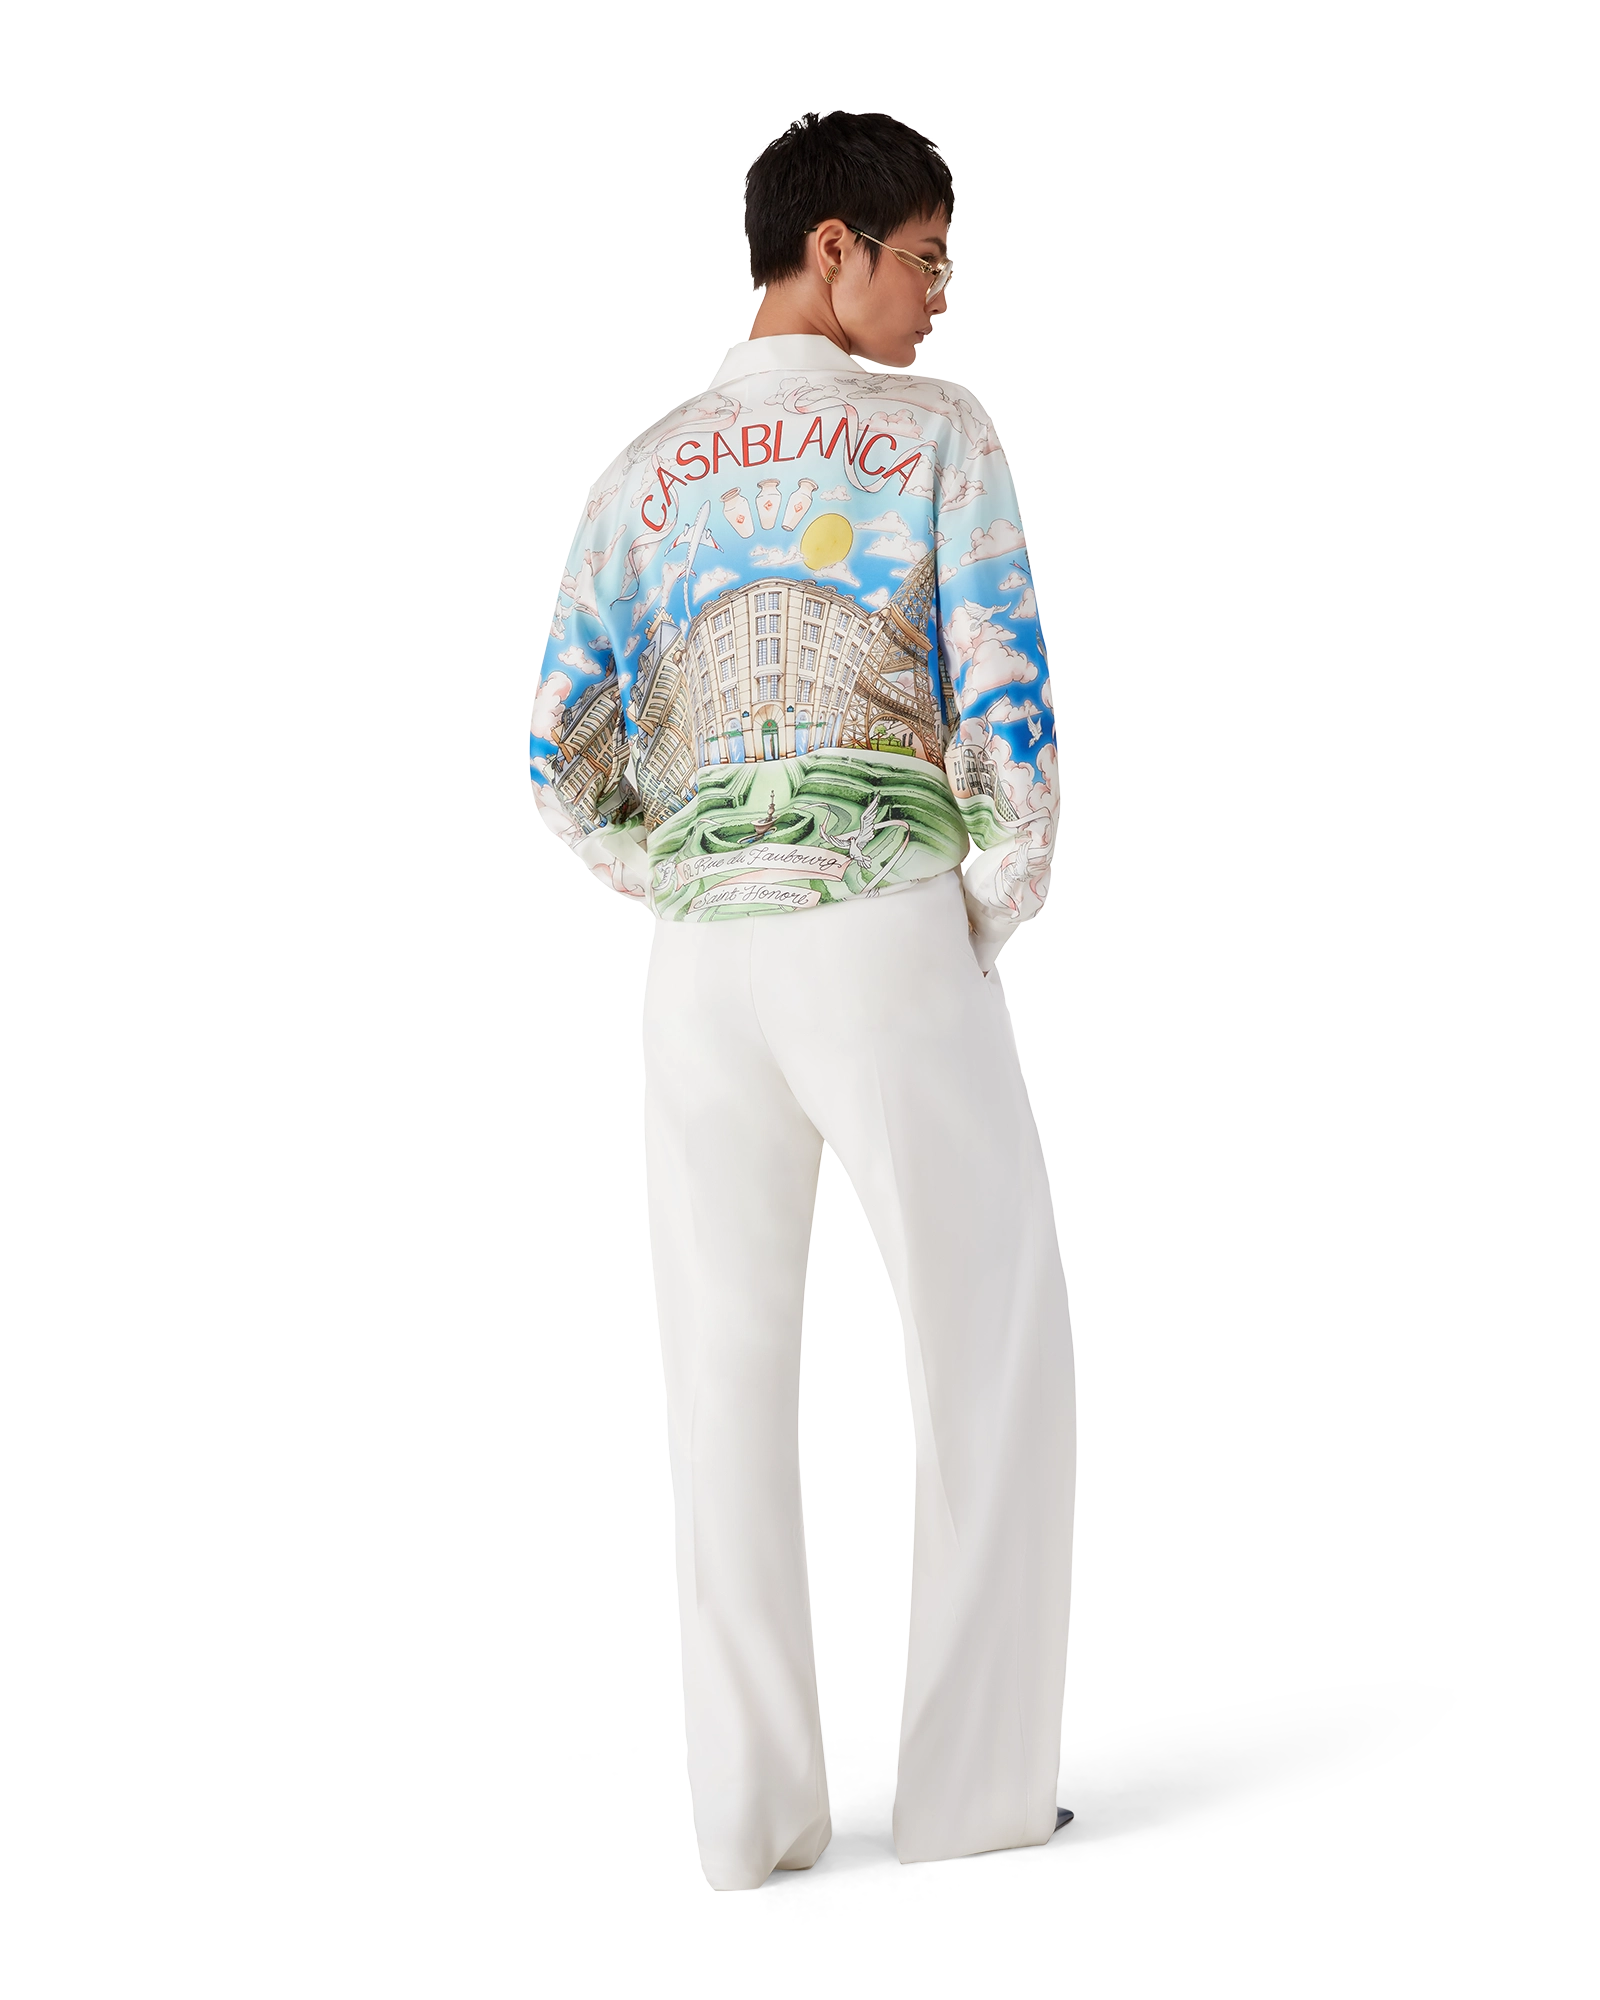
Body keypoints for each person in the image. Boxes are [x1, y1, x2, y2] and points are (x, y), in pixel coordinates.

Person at [528, 108, 1076, 1891]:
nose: (941, 299)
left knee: (721, 1379)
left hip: (698, 968)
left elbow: (555, 758)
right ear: (831, 249)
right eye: (925, 259)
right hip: (883, 924)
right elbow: (1010, 711)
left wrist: (691, 872)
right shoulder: (937, 437)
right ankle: (968, 1807)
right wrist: (971, 905)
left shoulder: (636, 472)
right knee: (988, 1349)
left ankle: (752, 1819)